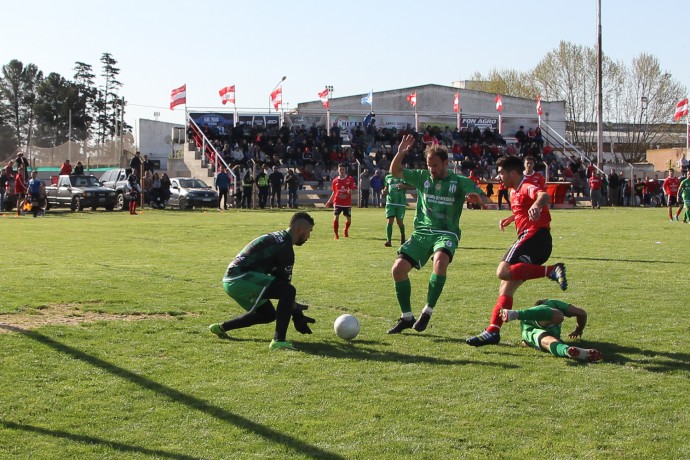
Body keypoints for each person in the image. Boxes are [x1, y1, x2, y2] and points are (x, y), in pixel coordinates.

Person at [387, 134, 489, 334]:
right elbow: (395, 170)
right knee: (398, 269)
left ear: (445, 163)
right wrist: (400, 153)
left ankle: (427, 311)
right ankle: (406, 317)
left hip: (446, 233)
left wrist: (477, 199)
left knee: (440, 261)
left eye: (434, 165)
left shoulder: (460, 181)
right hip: (422, 232)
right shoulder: (422, 177)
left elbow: (484, 199)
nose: (431, 169)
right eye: (428, 165)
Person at [467, 155, 567, 347]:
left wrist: (538, 204)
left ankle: (551, 270)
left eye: (501, 173)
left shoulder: (526, 185)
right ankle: (493, 331)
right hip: (537, 240)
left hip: (534, 236)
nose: (499, 177)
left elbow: (542, 195)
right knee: (506, 286)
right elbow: (522, 209)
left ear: (513, 172)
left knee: (502, 271)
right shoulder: (514, 191)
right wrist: (510, 219)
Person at [208, 212, 316, 351]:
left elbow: (278, 284)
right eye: (309, 231)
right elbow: (285, 289)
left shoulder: (278, 238)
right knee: (288, 291)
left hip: (230, 280)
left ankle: (221, 327)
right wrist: (297, 315)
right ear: (301, 228)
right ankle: (278, 341)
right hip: (241, 278)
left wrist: (296, 312)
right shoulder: (285, 249)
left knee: (268, 314)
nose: (308, 236)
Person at [499, 299, 603, 362]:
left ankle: (567, 351)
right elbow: (581, 313)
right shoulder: (551, 303)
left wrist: (578, 330)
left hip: (535, 330)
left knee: (551, 341)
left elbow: (581, 313)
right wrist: (579, 329)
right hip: (531, 323)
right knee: (557, 316)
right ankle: (517, 313)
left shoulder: (552, 305)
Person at [325, 163, 356, 239]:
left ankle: (345, 229)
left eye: (343, 169)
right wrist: (329, 201)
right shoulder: (335, 180)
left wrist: (350, 192)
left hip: (347, 203)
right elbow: (334, 192)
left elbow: (353, 190)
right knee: (336, 217)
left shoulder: (350, 179)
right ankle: (336, 234)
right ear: (338, 170)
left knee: (349, 220)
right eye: (340, 169)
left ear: (345, 170)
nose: (342, 171)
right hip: (337, 202)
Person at [382, 172, 414, 247]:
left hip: (400, 203)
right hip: (390, 203)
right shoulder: (388, 177)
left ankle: (403, 237)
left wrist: (404, 186)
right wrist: (384, 191)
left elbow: (413, 186)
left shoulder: (403, 176)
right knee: (390, 220)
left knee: (399, 222)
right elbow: (386, 188)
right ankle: (388, 241)